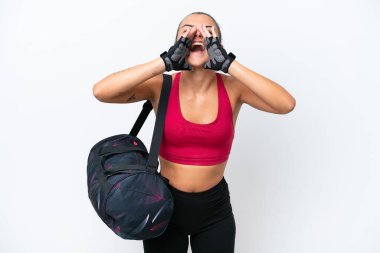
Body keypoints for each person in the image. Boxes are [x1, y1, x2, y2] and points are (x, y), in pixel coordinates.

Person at [93, 11, 296, 253]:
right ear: (178, 42)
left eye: (207, 30)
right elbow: (101, 91)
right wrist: (164, 62)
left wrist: (230, 64)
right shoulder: (161, 85)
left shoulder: (234, 89)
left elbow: (286, 104)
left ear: (218, 43)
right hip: (163, 207)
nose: (198, 34)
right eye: (188, 30)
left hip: (215, 211)